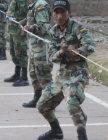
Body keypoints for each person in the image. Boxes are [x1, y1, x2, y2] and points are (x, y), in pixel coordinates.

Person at [37, 0, 96, 139]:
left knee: (72, 103)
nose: (59, 16)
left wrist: (77, 50)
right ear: (52, 14)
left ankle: (82, 136)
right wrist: (62, 52)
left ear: (68, 13)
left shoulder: (77, 27)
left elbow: (91, 45)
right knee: (42, 105)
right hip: (62, 76)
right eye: (56, 13)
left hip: (77, 74)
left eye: (62, 12)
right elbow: (51, 57)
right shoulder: (53, 31)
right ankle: (56, 131)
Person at [20, 0, 53, 108]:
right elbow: (33, 19)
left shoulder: (40, 5)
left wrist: (30, 28)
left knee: (43, 74)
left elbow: (44, 27)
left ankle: (50, 101)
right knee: (34, 73)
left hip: (41, 47)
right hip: (34, 47)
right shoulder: (33, 5)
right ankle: (37, 98)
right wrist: (25, 22)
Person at [4, 0, 29, 86]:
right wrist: (9, 13)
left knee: (21, 53)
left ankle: (24, 78)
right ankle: (17, 74)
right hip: (12, 29)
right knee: (14, 52)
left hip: (19, 30)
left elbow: (26, 12)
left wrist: (11, 14)